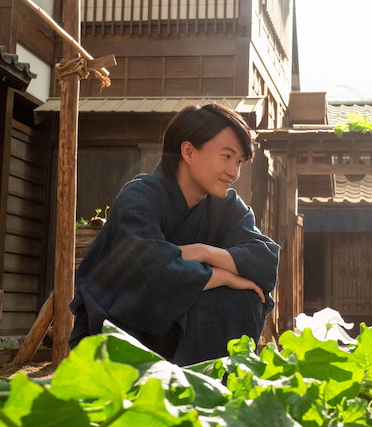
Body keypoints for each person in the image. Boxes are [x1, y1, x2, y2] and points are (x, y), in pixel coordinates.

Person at [69, 103, 280, 366]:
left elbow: (265, 260)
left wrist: (204, 252)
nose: (234, 172)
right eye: (226, 156)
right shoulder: (140, 196)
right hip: (123, 332)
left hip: (184, 332)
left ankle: (214, 383)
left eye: (238, 162)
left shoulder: (226, 205)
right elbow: (151, 272)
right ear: (189, 151)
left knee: (247, 297)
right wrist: (224, 275)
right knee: (215, 293)